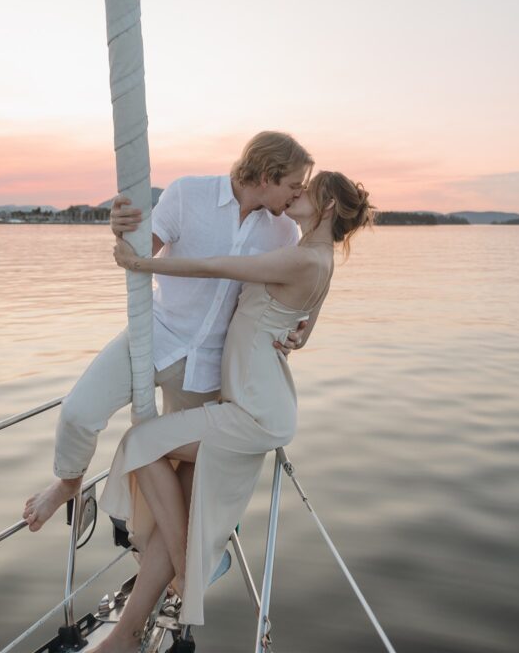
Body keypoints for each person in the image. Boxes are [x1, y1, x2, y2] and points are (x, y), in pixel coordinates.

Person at [94, 170, 374, 650]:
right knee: (170, 485)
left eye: (308, 191)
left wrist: (142, 265)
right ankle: (137, 622)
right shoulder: (316, 257)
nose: (297, 193)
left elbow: (215, 267)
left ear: (326, 207)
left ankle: (189, 570)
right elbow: (313, 304)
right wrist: (306, 331)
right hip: (253, 402)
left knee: (140, 442)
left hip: (253, 411)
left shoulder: (303, 258)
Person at [23, 131, 313, 530]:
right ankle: (68, 482)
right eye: (293, 185)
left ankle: (150, 559)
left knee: (174, 470)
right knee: (77, 412)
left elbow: (288, 299)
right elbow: (136, 253)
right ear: (267, 175)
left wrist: (299, 331)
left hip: (215, 366)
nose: (297, 195)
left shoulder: (283, 232)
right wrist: (118, 226)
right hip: (154, 336)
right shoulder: (187, 195)